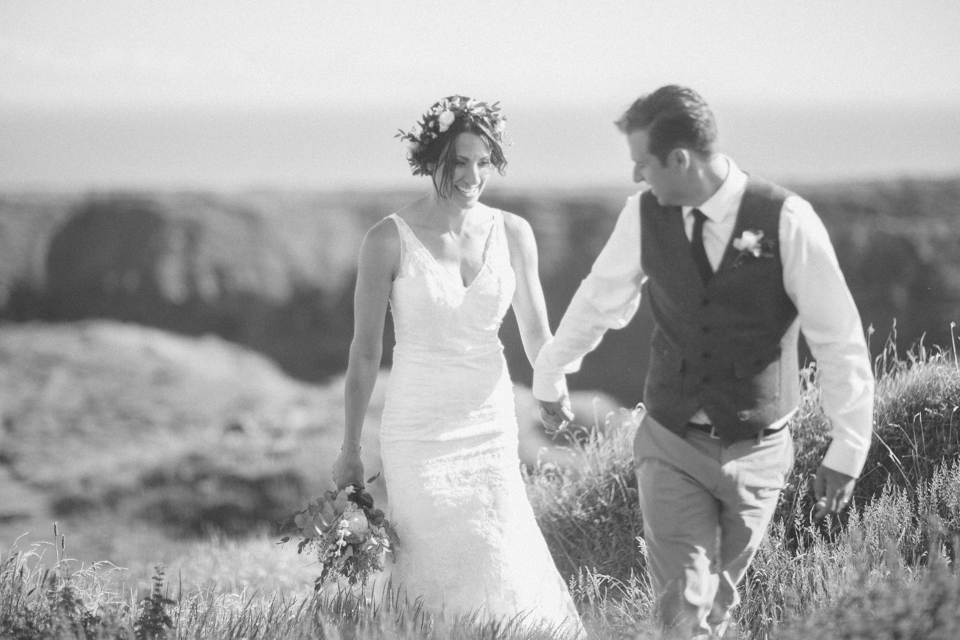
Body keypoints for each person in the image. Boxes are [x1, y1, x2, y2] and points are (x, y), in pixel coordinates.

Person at [534, 85, 874, 639]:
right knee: (683, 607)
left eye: (642, 163)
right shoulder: (641, 215)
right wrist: (552, 370)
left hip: (760, 448)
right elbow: (601, 298)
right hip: (671, 440)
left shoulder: (787, 219)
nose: (637, 177)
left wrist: (849, 446)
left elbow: (838, 338)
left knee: (716, 607)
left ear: (680, 159)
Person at [331, 95, 582, 636]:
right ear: (432, 159)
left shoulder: (514, 232)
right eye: (460, 162)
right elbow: (365, 352)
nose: (472, 176)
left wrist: (552, 385)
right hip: (418, 432)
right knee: (431, 564)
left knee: (497, 549)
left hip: (489, 422)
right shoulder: (385, 240)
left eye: (483, 163)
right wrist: (350, 447)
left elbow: (536, 330)